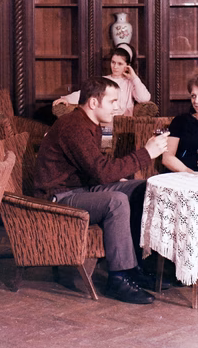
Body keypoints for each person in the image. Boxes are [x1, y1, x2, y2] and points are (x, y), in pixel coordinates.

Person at [34, 77, 168, 304]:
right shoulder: (73, 126)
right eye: (113, 101)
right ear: (94, 103)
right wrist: (146, 153)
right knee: (116, 201)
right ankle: (118, 279)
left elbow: (98, 168)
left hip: (82, 188)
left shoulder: (89, 124)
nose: (118, 107)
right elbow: (102, 172)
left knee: (141, 188)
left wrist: (117, 176)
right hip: (58, 197)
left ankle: (133, 268)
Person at [53, 47, 150, 117]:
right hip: (106, 120)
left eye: (120, 64)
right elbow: (84, 93)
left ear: (127, 66)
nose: (115, 67)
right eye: (113, 62)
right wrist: (66, 99)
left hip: (124, 123)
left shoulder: (131, 82)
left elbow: (144, 98)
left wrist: (134, 77)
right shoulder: (104, 80)